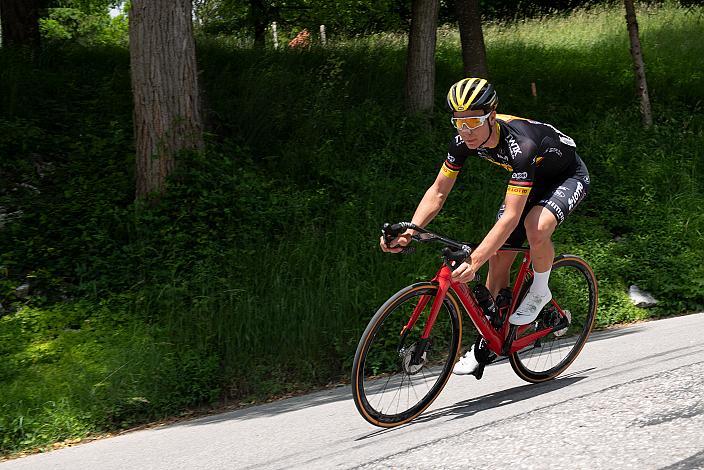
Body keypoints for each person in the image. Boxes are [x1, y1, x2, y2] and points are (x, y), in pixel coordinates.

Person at [379, 78, 590, 377]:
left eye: (474, 122)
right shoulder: (462, 141)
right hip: (530, 179)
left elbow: (511, 217)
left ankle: (540, 291)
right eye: (459, 122)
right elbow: (438, 192)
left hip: (566, 176)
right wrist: (410, 230)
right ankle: (488, 340)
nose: (466, 131)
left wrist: (472, 260)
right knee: (498, 261)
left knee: (535, 227)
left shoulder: (522, 145)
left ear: (492, 115)